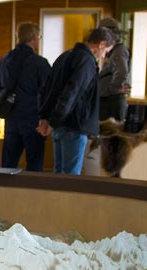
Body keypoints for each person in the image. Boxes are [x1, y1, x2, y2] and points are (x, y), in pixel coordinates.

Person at [38, 27, 115, 175]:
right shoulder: (86, 61)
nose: (104, 56)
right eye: (106, 51)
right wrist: (53, 121)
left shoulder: (65, 56)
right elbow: (72, 93)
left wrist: (46, 118)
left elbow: (49, 88)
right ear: (101, 44)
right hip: (74, 125)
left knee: (59, 173)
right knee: (71, 176)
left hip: (59, 124)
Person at [0, 22, 51, 172]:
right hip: (33, 118)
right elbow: (49, 91)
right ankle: (31, 194)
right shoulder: (39, 63)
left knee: (8, 164)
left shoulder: (4, 60)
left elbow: (0, 87)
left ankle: (5, 193)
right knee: (34, 164)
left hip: (11, 117)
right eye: (38, 37)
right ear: (34, 38)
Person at [98, 17, 131, 121]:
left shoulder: (119, 51)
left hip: (112, 100)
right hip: (107, 99)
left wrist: (113, 89)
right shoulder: (111, 52)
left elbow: (121, 73)